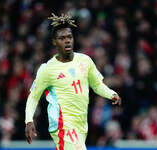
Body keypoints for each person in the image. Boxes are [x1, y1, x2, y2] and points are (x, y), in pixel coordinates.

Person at [25, 13, 121, 150]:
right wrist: (29, 120)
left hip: (81, 124)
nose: (67, 41)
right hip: (62, 125)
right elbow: (33, 97)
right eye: (62, 38)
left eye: (69, 37)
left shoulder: (85, 60)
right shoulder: (47, 69)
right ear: (54, 42)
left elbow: (97, 85)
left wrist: (111, 94)